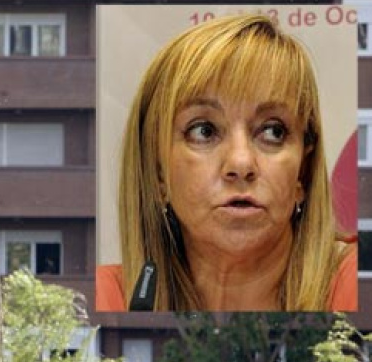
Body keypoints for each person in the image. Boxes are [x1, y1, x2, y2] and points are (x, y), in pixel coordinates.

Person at [96, 14, 358, 312]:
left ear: (303, 173)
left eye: (273, 131)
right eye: (204, 131)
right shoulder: (104, 299)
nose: (241, 163)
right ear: (157, 174)